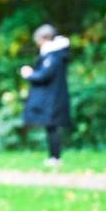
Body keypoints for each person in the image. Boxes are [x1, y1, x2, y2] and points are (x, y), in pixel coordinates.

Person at [21, 24, 71, 166]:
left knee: (52, 127)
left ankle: (55, 158)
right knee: (51, 127)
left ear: (44, 38)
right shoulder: (55, 54)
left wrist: (29, 74)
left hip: (53, 99)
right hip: (53, 97)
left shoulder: (53, 56)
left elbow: (45, 75)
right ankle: (53, 157)